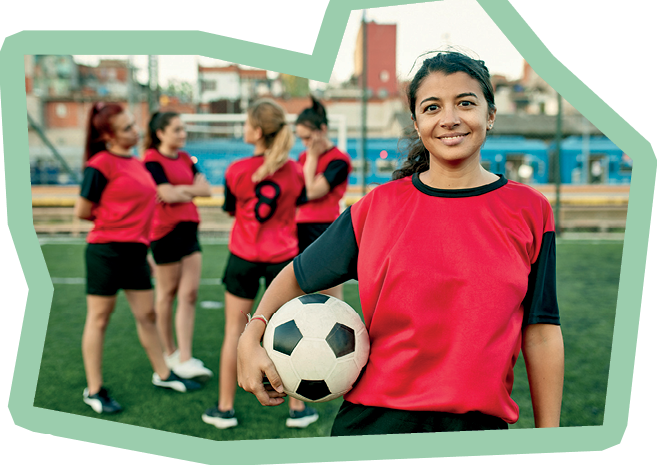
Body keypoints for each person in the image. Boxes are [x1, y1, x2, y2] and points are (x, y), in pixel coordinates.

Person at [236, 51, 564, 436]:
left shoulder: (530, 210)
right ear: (417, 121)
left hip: (476, 431)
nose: (450, 119)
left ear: (490, 114)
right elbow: (295, 276)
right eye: (432, 107)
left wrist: (550, 441)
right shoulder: (379, 207)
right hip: (375, 425)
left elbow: (541, 333)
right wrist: (251, 334)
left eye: (465, 103)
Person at [75, 103, 200, 415]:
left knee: (147, 316)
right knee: (99, 319)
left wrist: (141, 247)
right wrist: (114, 224)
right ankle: (94, 389)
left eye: (134, 124)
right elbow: (82, 211)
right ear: (108, 135)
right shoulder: (100, 164)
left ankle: (164, 373)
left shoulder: (138, 164)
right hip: (106, 251)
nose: (136, 131)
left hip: (136, 252)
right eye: (128, 128)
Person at [202, 99, 319, 430]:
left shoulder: (236, 170)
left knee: (233, 333)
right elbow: (299, 201)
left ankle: (225, 409)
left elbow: (229, 209)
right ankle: (297, 408)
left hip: (243, 257)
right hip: (282, 261)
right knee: (291, 332)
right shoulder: (294, 170)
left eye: (246, 123)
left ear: (256, 131)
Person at [143, 112, 213, 382]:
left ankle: (185, 356)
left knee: (190, 294)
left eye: (183, 129)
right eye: (177, 130)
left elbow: (206, 190)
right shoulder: (151, 159)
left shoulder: (185, 158)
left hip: (189, 229)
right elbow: (165, 194)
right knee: (167, 294)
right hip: (164, 232)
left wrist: (179, 191)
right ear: (160, 133)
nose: (183, 134)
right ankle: (169, 352)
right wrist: (187, 190)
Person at [294, 97, 351, 299]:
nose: (305, 144)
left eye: (308, 137)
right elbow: (300, 195)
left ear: (323, 129)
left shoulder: (339, 160)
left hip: (326, 227)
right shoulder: (301, 158)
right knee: (298, 291)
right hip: (299, 227)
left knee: (330, 293)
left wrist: (312, 159)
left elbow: (311, 192)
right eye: (301, 138)